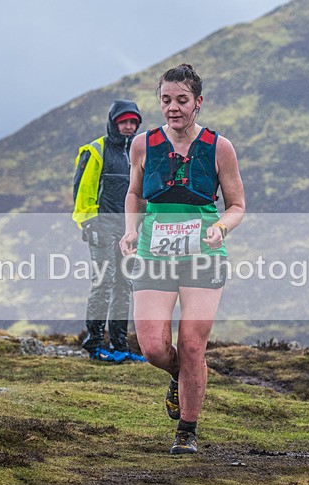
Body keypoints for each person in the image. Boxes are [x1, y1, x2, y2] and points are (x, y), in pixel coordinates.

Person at [119, 64, 246, 454]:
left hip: (204, 254)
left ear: (198, 103)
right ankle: (181, 375)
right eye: (166, 100)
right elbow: (135, 194)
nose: (173, 108)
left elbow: (237, 205)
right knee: (152, 347)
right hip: (154, 251)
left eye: (181, 100)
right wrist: (130, 228)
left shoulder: (219, 147)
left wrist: (220, 228)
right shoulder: (142, 144)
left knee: (192, 345)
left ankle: (186, 432)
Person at [72, 100, 147, 363]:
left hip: (128, 230)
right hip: (101, 227)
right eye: (123, 122)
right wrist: (88, 224)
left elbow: (142, 194)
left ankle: (119, 345)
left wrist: (141, 226)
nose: (128, 127)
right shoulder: (96, 150)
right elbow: (82, 191)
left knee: (124, 285)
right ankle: (94, 345)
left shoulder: (139, 152)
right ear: (114, 123)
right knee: (103, 282)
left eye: (133, 122)